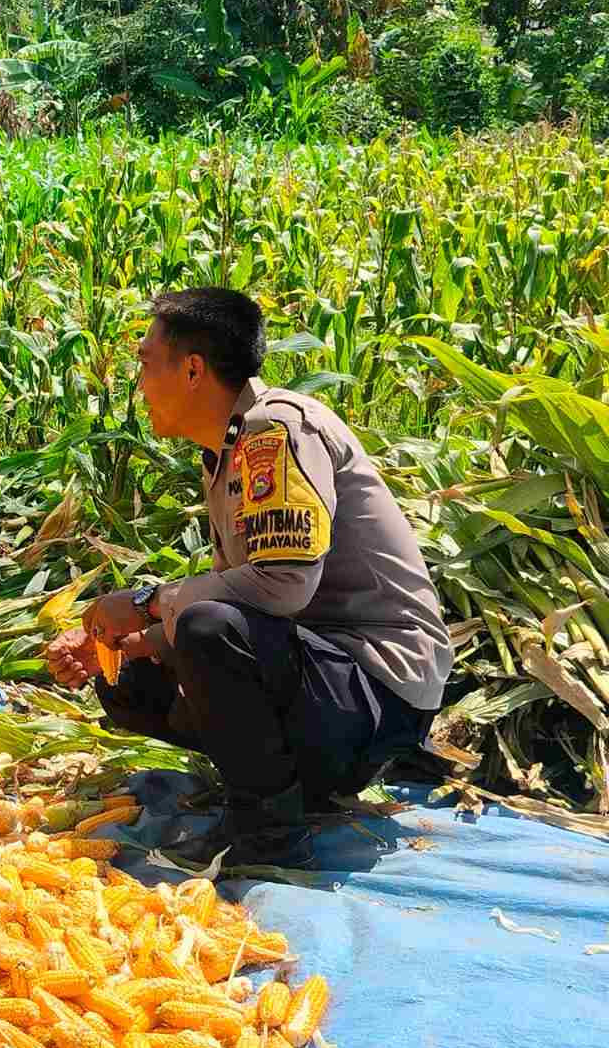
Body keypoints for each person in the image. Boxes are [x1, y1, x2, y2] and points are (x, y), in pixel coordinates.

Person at [45, 288, 452, 866]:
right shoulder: (227, 451)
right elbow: (240, 594)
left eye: (144, 362)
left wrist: (144, 602)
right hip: (320, 675)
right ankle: (286, 790)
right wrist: (128, 643)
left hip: (376, 688)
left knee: (207, 628)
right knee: (130, 674)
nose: (138, 382)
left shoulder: (276, 434)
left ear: (192, 370)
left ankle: (269, 837)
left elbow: (283, 586)